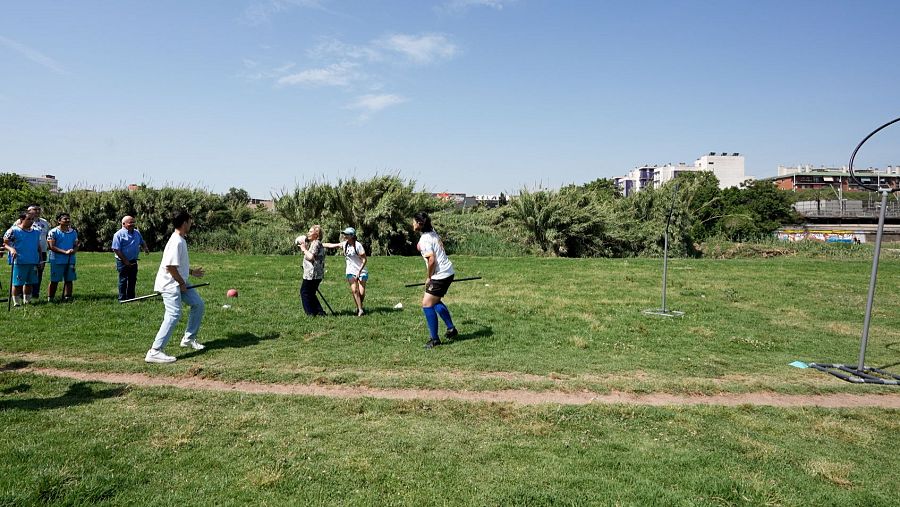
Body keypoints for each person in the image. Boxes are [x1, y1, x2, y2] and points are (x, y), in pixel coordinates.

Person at [145, 210, 206, 364]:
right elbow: (170, 267)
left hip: (179, 281)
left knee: (198, 304)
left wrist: (191, 272)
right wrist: (182, 283)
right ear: (184, 223)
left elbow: (178, 265)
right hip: (170, 284)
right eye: (190, 221)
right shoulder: (176, 241)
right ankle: (155, 351)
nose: (191, 224)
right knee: (173, 315)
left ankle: (188, 338)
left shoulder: (181, 240)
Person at [412, 212, 458, 349]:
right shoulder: (432, 232)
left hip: (440, 276)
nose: (412, 224)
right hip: (448, 272)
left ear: (419, 224)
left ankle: (434, 339)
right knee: (435, 301)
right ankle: (451, 329)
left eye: (414, 222)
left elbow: (431, 259)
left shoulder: (425, 239)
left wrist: (429, 277)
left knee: (427, 304)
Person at [323, 227, 368, 316]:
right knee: (354, 290)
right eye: (344, 234)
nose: (344, 236)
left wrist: (359, 271)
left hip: (361, 270)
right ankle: (360, 310)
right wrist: (319, 244)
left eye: (346, 234)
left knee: (361, 293)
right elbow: (332, 245)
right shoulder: (344, 244)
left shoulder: (358, 246)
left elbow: (364, 260)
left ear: (352, 236)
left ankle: (359, 306)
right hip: (350, 271)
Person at [3, 212, 41, 306]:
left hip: (32, 260)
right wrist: (12, 249)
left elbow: (38, 246)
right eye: (28, 219)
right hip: (19, 260)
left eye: (32, 219)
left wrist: (40, 259)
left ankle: (27, 300)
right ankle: (16, 302)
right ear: (21, 220)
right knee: (17, 282)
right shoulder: (13, 230)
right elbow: (5, 243)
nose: (31, 221)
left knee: (29, 282)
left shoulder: (36, 231)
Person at [112, 215, 150, 301]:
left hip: (133, 261)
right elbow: (116, 249)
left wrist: (145, 248)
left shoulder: (136, 232)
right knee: (123, 280)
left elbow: (141, 241)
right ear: (124, 224)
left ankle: (131, 298)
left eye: (133, 222)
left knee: (132, 279)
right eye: (130, 223)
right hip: (122, 262)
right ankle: (122, 298)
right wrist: (125, 261)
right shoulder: (118, 235)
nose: (133, 224)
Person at [46, 212, 80, 302]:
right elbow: (51, 246)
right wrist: (65, 252)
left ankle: (68, 297)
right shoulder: (53, 232)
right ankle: (51, 298)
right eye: (65, 219)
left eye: (68, 218)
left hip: (70, 258)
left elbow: (76, 244)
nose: (67, 220)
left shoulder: (73, 232)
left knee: (69, 279)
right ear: (59, 221)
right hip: (57, 259)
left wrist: (74, 250)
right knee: (55, 280)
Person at [298, 224, 327, 316]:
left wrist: (304, 249)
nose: (308, 233)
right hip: (316, 273)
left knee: (305, 292)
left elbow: (310, 257)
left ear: (316, 234)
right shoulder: (315, 243)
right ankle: (319, 312)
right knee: (311, 293)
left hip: (312, 274)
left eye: (311, 232)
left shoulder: (316, 243)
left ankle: (310, 313)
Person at [26, 205, 50, 298]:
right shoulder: (21, 221)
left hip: (42, 251)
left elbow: (47, 235)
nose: (37, 211)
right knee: (27, 272)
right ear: (28, 211)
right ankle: (24, 293)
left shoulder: (44, 222)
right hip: (29, 251)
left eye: (38, 209)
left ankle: (35, 293)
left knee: (39, 272)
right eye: (34, 209)